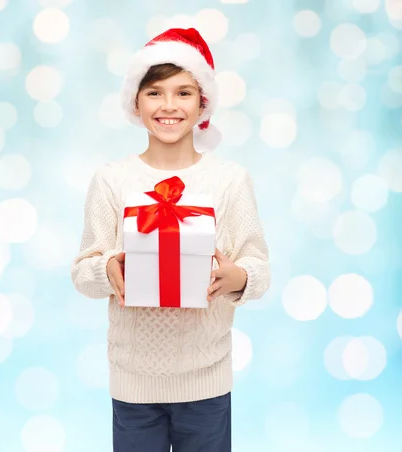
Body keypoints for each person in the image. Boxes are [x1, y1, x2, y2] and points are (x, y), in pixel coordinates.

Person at [71, 27, 270, 452]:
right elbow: (83, 273)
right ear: (135, 102)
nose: (168, 106)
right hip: (133, 380)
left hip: (206, 379)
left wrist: (235, 278)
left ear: (204, 103)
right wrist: (108, 268)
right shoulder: (112, 181)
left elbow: (259, 268)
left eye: (183, 92)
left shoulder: (230, 181)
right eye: (155, 92)